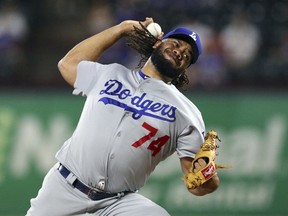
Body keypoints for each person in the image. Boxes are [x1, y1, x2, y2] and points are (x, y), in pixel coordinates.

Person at [26, 17, 219, 216]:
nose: (180, 52)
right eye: (176, 44)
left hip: (118, 203)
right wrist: (122, 29)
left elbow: (196, 184)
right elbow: (68, 63)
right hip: (63, 189)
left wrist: (209, 179)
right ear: (158, 42)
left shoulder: (187, 113)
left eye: (187, 56)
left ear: (184, 69)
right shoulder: (110, 73)